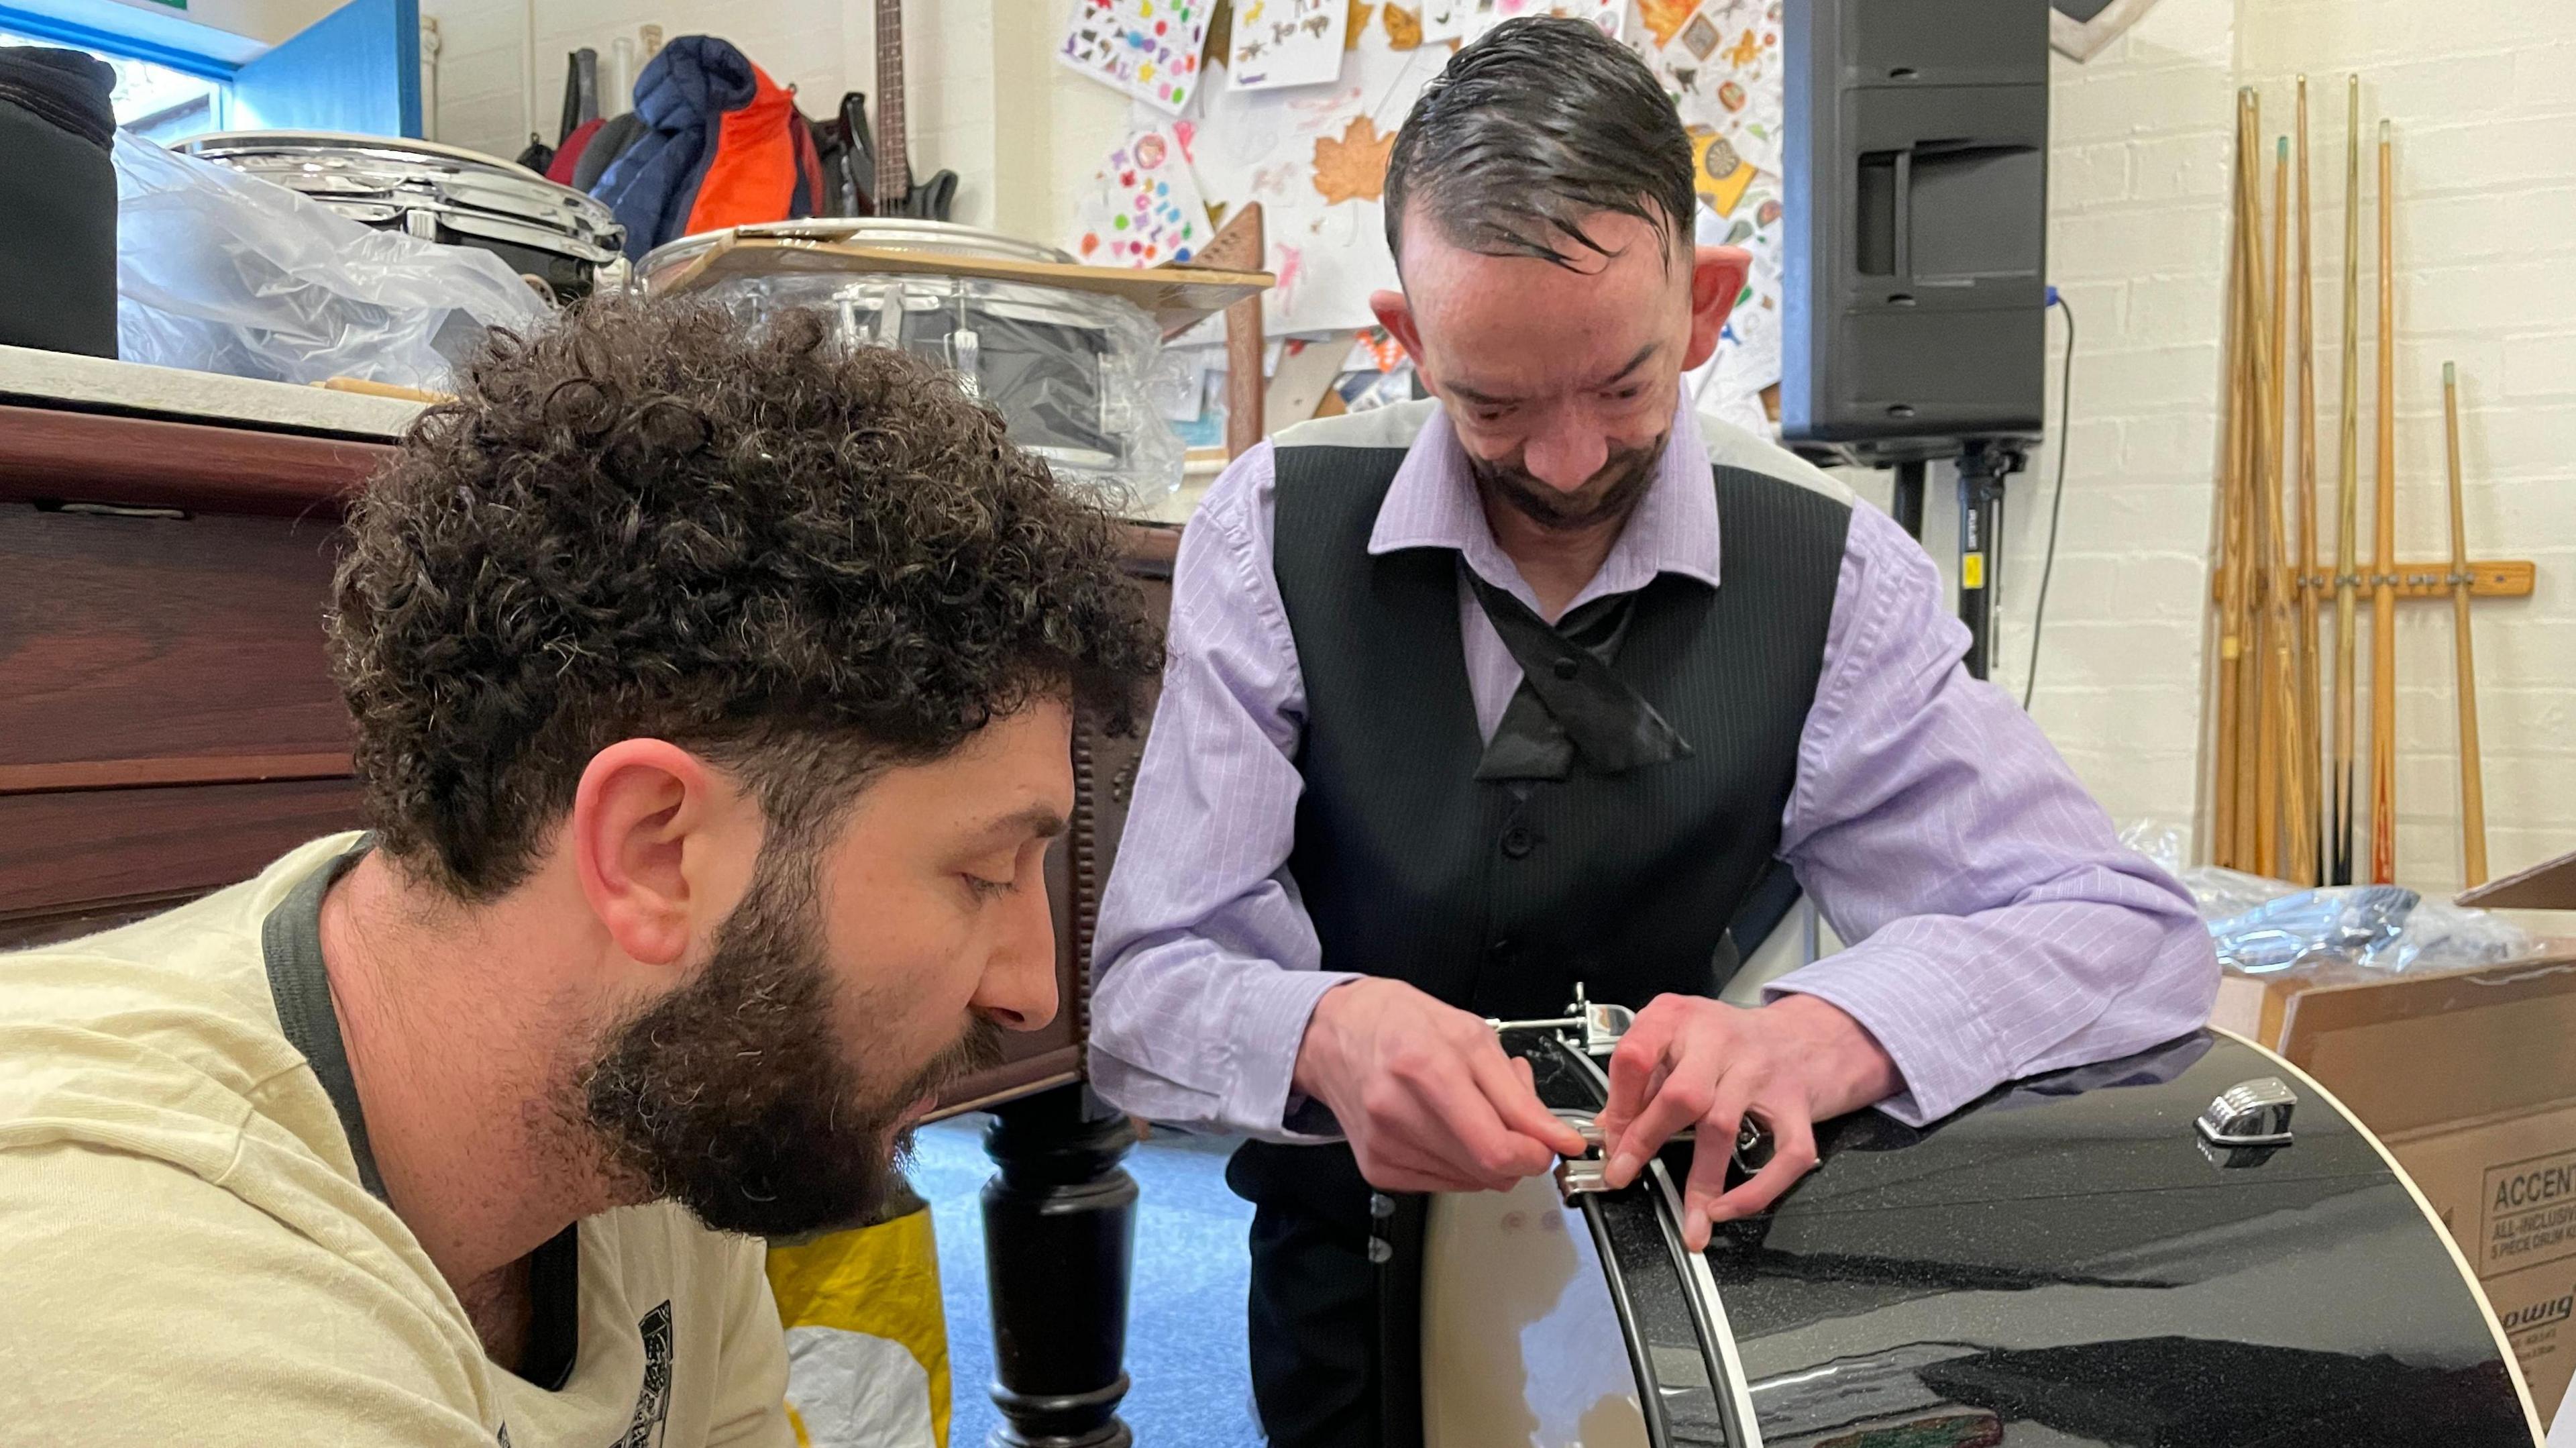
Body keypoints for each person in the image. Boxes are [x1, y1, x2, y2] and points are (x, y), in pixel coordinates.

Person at [1087, 18, 2220, 1447]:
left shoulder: (1834, 580)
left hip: (1688, 1323)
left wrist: (1834, 1029)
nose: (1562, 462)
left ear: (1708, 306)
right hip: (1341, 1297)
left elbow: (2128, 933)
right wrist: (1320, 1026)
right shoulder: (1270, 530)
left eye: (1623, 387)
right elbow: (1143, 988)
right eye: (1489, 401)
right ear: (1405, 341)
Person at [0, 297, 1160, 1446]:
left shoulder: (661, 1080)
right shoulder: (158, 1307)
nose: (1031, 989)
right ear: (652, 851)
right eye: (986, 869)